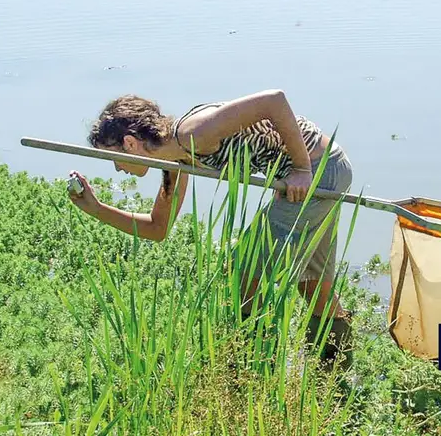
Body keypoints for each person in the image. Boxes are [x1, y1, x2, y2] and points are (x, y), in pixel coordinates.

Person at [67, 89, 354, 369]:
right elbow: (158, 228)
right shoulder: (176, 158)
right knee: (311, 280)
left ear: (130, 143)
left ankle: (253, 370)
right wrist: (96, 209)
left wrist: (302, 169)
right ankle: (336, 370)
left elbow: (274, 101)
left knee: (243, 269)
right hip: (319, 171)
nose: (117, 169)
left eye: (113, 157)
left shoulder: (192, 133)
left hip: (319, 172)